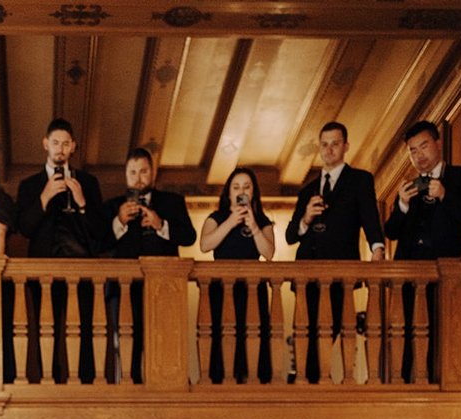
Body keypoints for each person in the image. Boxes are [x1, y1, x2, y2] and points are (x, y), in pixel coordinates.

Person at [285, 122, 385, 384]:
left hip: (342, 272)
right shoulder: (308, 190)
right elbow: (290, 235)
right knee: (306, 331)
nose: (329, 149)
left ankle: (318, 381)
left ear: (345, 146)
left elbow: (369, 218)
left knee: (334, 328)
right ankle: (309, 380)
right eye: (325, 144)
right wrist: (306, 218)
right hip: (307, 273)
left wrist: (378, 248)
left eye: (335, 143)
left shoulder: (359, 180)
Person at [384, 121, 461, 382]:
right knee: (406, 331)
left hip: (444, 271)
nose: (419, 155)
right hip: (409, 273)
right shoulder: (409, 187)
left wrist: (445, 194)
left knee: (442, 331)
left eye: (423, 146)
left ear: (438, 143)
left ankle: (438, 380)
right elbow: (391, 231)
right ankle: (405, 381)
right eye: (413, 151)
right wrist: (402, 204)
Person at [16, 118, 103, 384]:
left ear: (73, 147)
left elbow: (100, 232)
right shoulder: (29, 185)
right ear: (45, 144)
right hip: (43, 269)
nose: (60, 149)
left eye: (66, 143)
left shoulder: (88, 182)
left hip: (82, 268)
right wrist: (43, 198)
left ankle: (86, 382)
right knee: (46, 327)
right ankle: (48, 380)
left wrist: (82, 203)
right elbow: (25, 229)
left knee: (85, 327)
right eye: (55, 143)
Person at [101, 148, 196, 382]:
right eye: (132, 172)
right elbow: (97, 243)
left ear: (152, 173)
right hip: (124, 289)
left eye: (143, 171)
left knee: (164, 340)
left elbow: (189, 237)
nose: (138, 177)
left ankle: (165, 390)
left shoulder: (173, 202)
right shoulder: (113, 206)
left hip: (164, 288)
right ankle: (130, 388)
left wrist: (160, 224)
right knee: (126, 342)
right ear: (125, 175)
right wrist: (119, 222)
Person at [200, 167, 276, 384]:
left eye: (246, 186)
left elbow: (268, 253)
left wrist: (253, 226)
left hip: (252, 288)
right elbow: (205, 245)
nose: (241, 190)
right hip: (222, 288)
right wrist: (231, 222)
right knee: (221, 334)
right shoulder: (216, 217)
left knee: (253, 335)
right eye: (236, 187)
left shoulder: (262, 221)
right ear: (229, 193)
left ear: (253, 192)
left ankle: (254, 379)